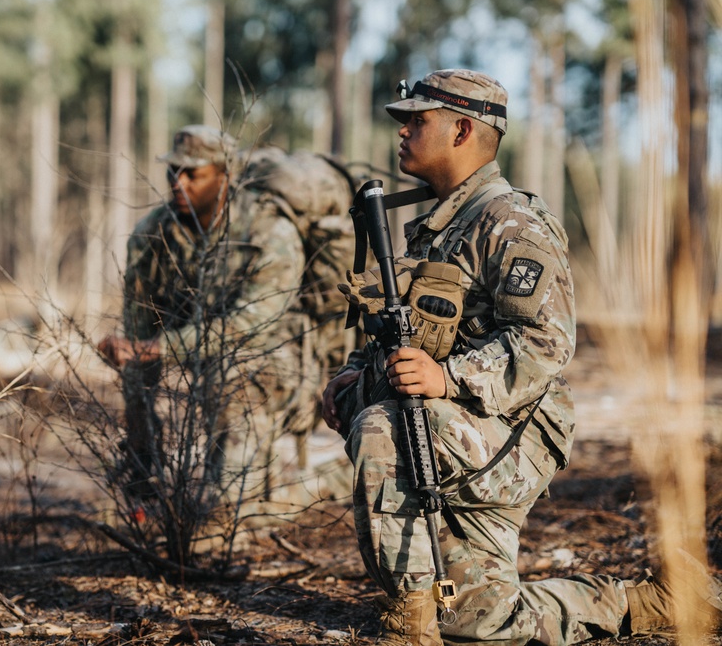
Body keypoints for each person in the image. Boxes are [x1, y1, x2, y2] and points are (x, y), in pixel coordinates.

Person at [321, 69, 722, 645]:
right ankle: (655, 602)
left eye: (417, 120)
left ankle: (409, 629)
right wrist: (352, 374)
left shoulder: (509, 223)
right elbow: (402, 331)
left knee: (382, 428)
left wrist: (446, 376)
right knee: (479, 622)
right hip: (451, 428)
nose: (403, 131)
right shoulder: (436, 228)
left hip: (513, 431)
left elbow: (546, 343)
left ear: (462, 130)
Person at [98, 125, 306, 509]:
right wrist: (142, 447)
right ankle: (149, 485)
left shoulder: (268, 231)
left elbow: (249, 327)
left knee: (234, 375)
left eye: (193, 173)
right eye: (172, 171)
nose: (178, 182)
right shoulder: (153, 235)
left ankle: (233, 508)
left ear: (224, 177)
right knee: (137, 373)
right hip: (196, 353)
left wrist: (158, 347)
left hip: (273, 359)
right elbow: (140, 328)